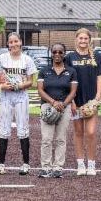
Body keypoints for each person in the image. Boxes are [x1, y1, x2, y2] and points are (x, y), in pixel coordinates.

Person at [0, 33, 37, 175]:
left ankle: (25, 164)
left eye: (15, 41)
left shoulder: (27, 59)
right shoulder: (1, 58)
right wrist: (2, 85)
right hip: (6, 96)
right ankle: (1, 164)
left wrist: (19, 86)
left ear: (20, 42)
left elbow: (30, 81)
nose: (13, 44)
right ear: (8, 44)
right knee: (4, 129)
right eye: (11, 42)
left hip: (21, 96)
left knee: (23, 129)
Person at [66, 28, 101, 176]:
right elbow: (68, 80)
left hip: (90, 100)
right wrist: (71, 101)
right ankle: (80, 164)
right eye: (80, 38)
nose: (83, 41)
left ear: (89, 40)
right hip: (76, 100)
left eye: (85, 38)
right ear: (76, 39)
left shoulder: (96, 56)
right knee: (78, 132)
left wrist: (97, 97)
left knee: (91, 132)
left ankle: (92, 164)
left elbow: (99, 77)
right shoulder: (69, 57)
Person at [37, 43, 78, 178]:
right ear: (51, 53)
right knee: (46, 139)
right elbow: (40, 90)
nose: (57, 54)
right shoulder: (44, 70)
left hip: (64, 107)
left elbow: (73, 92)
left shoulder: (71, 71)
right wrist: (53, 102)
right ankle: (45, 167)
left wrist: (63, 104)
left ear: (64, 54)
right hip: (47, 106)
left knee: (61, 138)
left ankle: (58, 167)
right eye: (54, 52)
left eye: (60, 52)